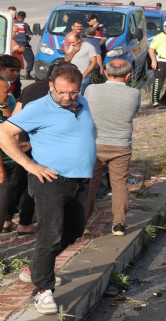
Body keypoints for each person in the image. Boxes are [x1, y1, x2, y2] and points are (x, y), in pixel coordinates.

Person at [0, 63, 95, 315]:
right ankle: (43, 290)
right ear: (51, 85)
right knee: (50, 234)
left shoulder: (82, 102)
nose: (67, 97)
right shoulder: (38, 107)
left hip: (79, 181)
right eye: (62, 92)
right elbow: (4, 133)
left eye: (72, 92)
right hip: (49, 180)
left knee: (75, 229)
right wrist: (29, 165)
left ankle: (36, 268)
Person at [83, 59, 140, 235]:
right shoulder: (134, 93)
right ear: (128, 75)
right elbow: (134, 112)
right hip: (121, 144)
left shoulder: (91, 89)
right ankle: (119, 224)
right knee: (119, 184)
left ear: (106, 73)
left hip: (95, 143)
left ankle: (83, 222)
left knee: (90, 184)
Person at [0, 79, 18, 233]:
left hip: (9, 162)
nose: (10, 94)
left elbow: (9, 124)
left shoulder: (3, 106)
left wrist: (4, 105)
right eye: (6, 91)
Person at [63, 25, 98, 93]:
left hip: (82, 76)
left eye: (73, 42)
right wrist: (74, 51)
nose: (71, 44)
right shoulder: (72, 46)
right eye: (70, 42)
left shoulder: (89, 47)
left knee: (79, 95)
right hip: (71, 75)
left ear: (79, 39)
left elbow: (93, 62)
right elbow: (66, 59)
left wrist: (84, 74)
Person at [13, 11, 34, 79]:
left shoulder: (12, 24)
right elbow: (30, 35)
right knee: (30, 59)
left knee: (15, 60)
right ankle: (27, 74)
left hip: (14, 44)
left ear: (17, 16)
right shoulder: (25, 25)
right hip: (24, 45)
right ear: (24, 17)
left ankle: (16, 74)